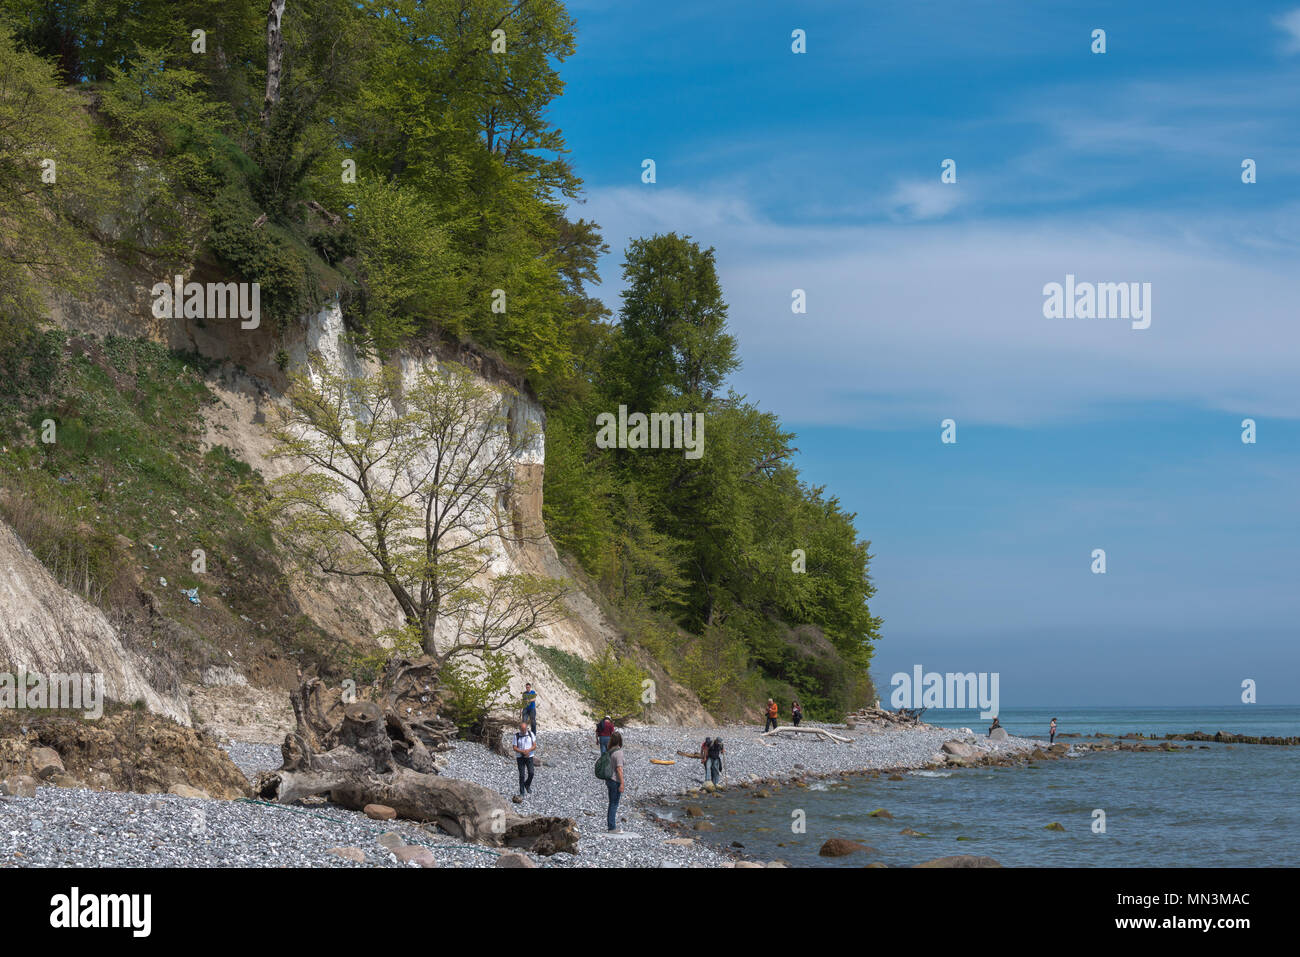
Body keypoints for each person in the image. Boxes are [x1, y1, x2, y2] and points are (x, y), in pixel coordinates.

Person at [605, 731, 625, 832]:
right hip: (615, 780)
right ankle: (612, 827)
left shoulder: (609, 751)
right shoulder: (618, 753)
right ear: (620, 741)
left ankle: (610, 826)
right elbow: (619, 769)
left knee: (611, 803)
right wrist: (622, 783)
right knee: (614, 804)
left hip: (608, 779)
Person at [512, 721, 536, 798]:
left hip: (529, 756)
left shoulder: (530, 734)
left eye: (525, 729)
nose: (524, 731)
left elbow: (534, 745)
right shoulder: (516, 736)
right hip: (520, 757)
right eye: (522, 730)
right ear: (520, 729)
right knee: (522, 775)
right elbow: (514, 747)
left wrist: (528, 751)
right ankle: (522, 792)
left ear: (526, 728)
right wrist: (522, 751)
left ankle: (527, 784)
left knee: (531, 773)